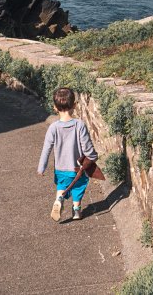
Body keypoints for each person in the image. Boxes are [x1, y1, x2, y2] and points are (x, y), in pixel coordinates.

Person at [37, 87, 98, 221]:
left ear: (55, 107)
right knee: (79, 186)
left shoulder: (53, 127)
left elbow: (46, 149)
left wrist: (41, 167)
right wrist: (92, 156)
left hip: (60, 169)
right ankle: (76, 210)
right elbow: (87, 147)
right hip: (77, 168)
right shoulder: (79, 125)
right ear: (75, 106)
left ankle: (59, 199)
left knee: (62, 186)